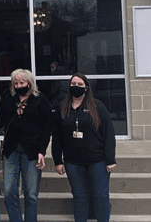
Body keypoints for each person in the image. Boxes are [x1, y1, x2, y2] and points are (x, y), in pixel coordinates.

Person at [0, 69, 51, 222]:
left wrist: (42, 151)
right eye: (16, 83)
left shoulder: (40, 99)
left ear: (30, 83)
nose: (19, 86)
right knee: (8, 192)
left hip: (32, 152)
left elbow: (46, 128)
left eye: (22, 83)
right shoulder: (8, 98)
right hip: (11, 150)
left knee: (31, 195)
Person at [52, 73, 117, 222]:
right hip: (73, 161)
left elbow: (108, 134)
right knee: (79, 196)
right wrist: (58, 160)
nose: (76, 87)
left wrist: (110, 159)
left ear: (86, 87)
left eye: (79, 84)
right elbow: (57, 136)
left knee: (100, 196)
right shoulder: (62, 107)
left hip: (97, 160)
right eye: (73, 84)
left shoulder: (97, 106)